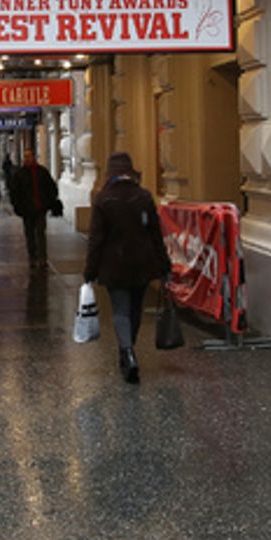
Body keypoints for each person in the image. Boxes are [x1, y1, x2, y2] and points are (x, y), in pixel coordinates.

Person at [82, 152, 171, 383]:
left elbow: (96, 239)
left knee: (120, 310)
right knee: (135, 309)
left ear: (110, 172)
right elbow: (155, 234)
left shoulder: (103, 199)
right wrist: (164, 264)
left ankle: (128, 352)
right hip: (142, 262)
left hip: (114, 264)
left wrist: (90, 270)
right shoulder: (143, 196)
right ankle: (128, 349)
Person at [9, 148, 60, 270]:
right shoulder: (20, 174)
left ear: (34, 157)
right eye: (25, 156)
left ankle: (42, 258)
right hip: (27, 209)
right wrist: (18, 206)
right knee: (30, 234)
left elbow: (51, 188)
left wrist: (49, 202)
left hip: (40, 208)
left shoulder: (42, 172)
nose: (27, 159)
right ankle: (32, 257)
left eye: (29, 156)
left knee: (41, 234)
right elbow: (14, 192)